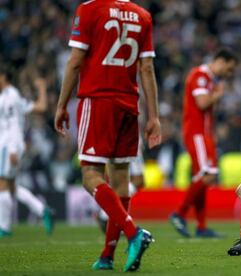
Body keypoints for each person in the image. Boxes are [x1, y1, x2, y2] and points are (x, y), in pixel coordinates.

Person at [54, 0, 161, 272]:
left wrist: (61, 104)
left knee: (90, 175)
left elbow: (76, 62)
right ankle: (107, 255)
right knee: (121, 181)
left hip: (98, 99)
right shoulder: (142, 16)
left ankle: (134, 233)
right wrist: (154, 117)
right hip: (129, 104)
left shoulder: (89, 10)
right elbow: (146, 68)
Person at [170, 49, 237, 238]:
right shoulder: (200, 75)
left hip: (204, 133)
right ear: (221, 62)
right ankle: (179, 214)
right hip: (196, 133)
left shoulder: (209, 79)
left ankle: (201, 226)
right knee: (206, 175)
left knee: (204, 176)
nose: (229, 74)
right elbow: (202, 103)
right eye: (229, 69)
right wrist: (217, 95)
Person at [0, 66, 54, 238]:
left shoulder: (9, 97)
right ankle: (43, 210)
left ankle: (4, 227)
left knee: (3, 184)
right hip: (12, 144)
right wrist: (42, 88)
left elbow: (13, 125)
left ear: (3, 77)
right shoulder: (13, 96)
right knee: (12, 186)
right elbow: (41, 106)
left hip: (9, 145)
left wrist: (13, 149)